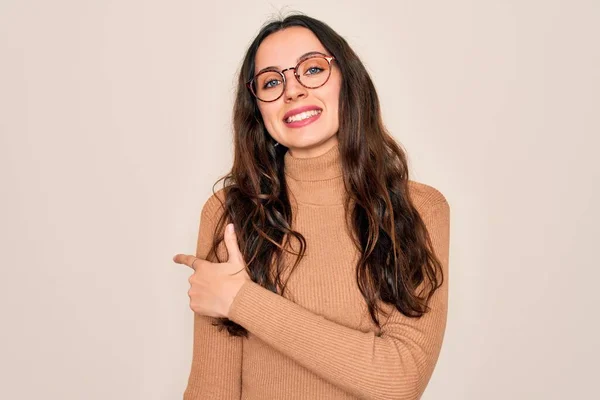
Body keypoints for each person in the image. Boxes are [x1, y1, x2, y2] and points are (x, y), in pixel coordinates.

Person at [173, 13, 451, 400]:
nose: (293, 91)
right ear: (257, 108)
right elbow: (211, 389)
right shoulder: (229, 213)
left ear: (348, 81)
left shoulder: (420, 207)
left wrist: (240, 299)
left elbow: (399, 379)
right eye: (272, 81)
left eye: (312, 69)